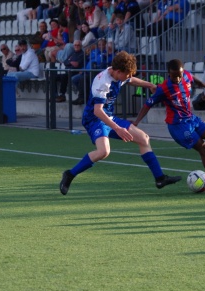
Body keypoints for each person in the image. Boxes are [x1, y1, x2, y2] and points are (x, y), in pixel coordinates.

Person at [59, 51, 181, 195]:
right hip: (94, 119)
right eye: (127, 74)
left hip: (109, 116)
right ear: (118, 71)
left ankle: (160, 178)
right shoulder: (103, 83)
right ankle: (70, 174)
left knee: (144, 139)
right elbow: (98, 111)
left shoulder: (119, 74)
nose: (129, 77)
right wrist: (117, 128)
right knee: (103, 152)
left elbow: (131, 80)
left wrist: (149, 85)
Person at [133, 59, 205, 193]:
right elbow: (147, 104)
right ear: (168, 73)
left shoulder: (186, 75)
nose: (178, 78)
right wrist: (136, 122)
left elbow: (191, 76)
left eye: (179, 74)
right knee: (204, 149)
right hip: (178, 126)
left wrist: (200, 83)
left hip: (191, 119)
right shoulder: (163, 88)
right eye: (174, 76)